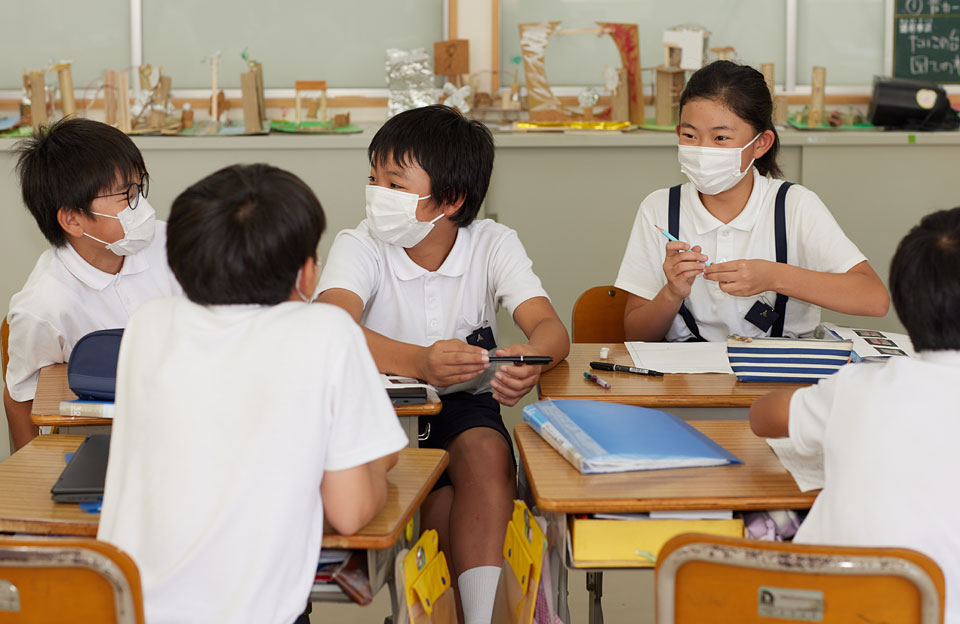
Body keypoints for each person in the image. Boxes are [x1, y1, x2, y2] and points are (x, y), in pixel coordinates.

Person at [97, 164, 406, 624]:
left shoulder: (149, 322)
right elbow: (349, 511)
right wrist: (378, 464)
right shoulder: (325, 330)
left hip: (124, 608)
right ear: (307, 274)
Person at [317, 105, 570, 624]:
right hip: (383, 414)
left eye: (395, 183)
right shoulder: (361, 244)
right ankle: (468, 611)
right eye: (374, 178)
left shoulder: (492, 244)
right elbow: (329, 326)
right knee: (440, 507)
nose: (376, 193)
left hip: (464, 407)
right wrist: (419, 362)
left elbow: (550, 329)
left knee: (487, 455)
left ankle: (478, 618)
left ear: (451, 199)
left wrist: (530, 362)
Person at [750, 206, 960, 623]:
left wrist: (835, 397)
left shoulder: (858, 388)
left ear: (905, 304)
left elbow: (762, 416)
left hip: (834, 607)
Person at [615, 60, 889, 342]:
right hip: (688, 369)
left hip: (782, 366)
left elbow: (874, 299)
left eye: (721, 137)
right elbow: (636, 335)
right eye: (690, 135)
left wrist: (774, 277)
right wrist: (672, 293)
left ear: (761, 143)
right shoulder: (660, 209)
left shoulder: (794, 205)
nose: (703, 150)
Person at [4, 118, 181, 450]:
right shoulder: (44, 306)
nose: (141, 206)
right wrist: (36, 468)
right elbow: (20, 398)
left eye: (139, 188)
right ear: (73, 219)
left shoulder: (171, 243)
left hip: (180, 412)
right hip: (101, 435)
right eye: (126, 195)